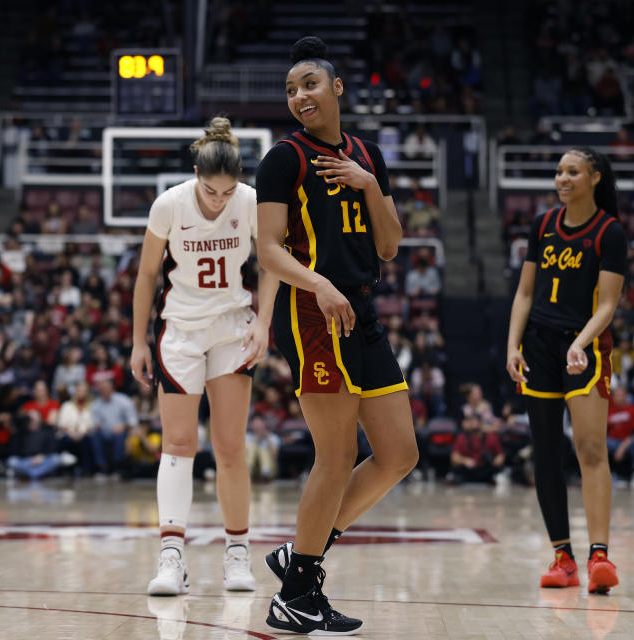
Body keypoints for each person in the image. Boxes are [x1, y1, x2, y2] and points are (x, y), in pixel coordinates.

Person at [254, 36, 418, 635]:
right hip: (311, 315)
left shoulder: (369, 154)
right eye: (292, 89)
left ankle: (301, 556)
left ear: (337, 88)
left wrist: (367, 182)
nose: (300, 96)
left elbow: (390, 244)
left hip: (363, 312)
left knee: (400, 454)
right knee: (338, 454)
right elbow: (268, 250)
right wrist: (317, 284)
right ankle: (296, 593)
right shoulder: (283, 159)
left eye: (310, 84)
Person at [129, 117, 280, 596]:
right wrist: (136, 341)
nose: (219, 200)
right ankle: (171, 557)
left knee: (231, 447)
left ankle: (238, 554)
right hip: (180, 331)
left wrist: (263, 320)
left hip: (232, 327)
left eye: (227, 191)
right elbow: (146, 275)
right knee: (176, 445)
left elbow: (272, 261)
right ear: (196, 173)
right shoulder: (168, 205)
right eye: (211, 191)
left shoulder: (252, 202)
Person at [506, 146, 626, 594]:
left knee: (591, 450)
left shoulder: (609, 233)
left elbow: (609, 304)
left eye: (572, 171)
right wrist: (512, 345)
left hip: (586, 347)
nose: (563, 178)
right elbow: (524, 293)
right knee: (546, 455)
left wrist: (581, 342)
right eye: (559, 171)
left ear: (594, 177)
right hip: (538, 346)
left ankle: (599, 556)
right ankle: (563, 557)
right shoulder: (543, 225)